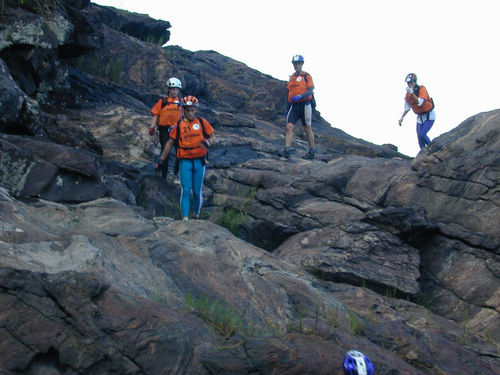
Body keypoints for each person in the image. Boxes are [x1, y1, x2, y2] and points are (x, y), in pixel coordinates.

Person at [157, 96, 215, 221]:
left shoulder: (202, 122)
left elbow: (211, 136)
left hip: (199, 161)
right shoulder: (178, 125)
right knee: (186, 190)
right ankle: (185, 218)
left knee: (197, 190)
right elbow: (169, 143)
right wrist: (161, 159)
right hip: (185, 161)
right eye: (187, 110)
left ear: (196, 110)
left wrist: (208, 142)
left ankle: (196, 214)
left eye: (192, 110)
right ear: (183, 110)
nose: (190, 113)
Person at [282, 54, 316, 159]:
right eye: (295, 64)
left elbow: (310, 90)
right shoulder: (292, 78)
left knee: (307, 127)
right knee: (289, 127)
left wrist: (301, 96)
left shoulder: (306, 76)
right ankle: (287, 150)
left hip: (305, 104)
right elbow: (288, 92)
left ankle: (311, 151)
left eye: (298, 64)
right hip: (294, 106)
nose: (296, 66)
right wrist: (287, 108)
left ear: (301, 64)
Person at [150, 77, 183, 177]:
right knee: (166, 152)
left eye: (176, 89)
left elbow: (185, 116)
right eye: (173, 89)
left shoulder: (181, 102)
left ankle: (176, 173)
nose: (174, 91)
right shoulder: (163, 101)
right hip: (165, 130)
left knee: (180, 152)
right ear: (169, 89)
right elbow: (156, 114)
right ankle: (163, 175)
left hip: (178, 130)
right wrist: (152, 127)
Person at [398, 73, 436, 150]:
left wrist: (412, 93)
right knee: (419, 137)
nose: (409, 84)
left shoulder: (421, 89)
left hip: (429, 115)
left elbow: (420, 102)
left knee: (423, 134)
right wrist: (402, 117)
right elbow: (407, 107)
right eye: (408, 83)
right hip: (420, 117)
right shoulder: (408, 94)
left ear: (415, 82)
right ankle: (423, 153)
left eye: (411, 82)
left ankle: (433, 150)